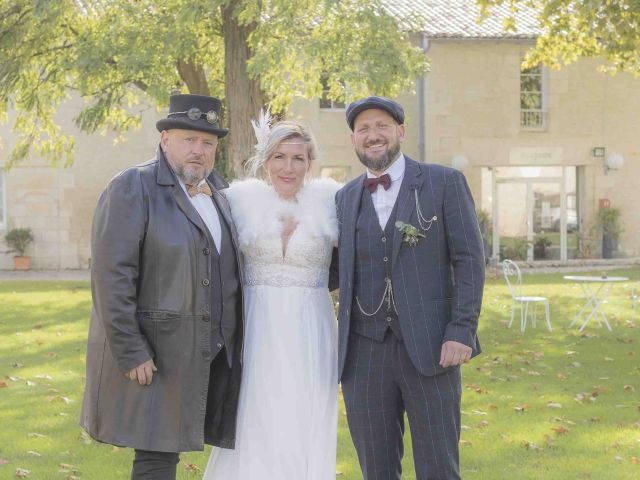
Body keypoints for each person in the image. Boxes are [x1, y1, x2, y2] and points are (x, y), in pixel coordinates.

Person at [80, 93, 244, 480]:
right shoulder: (131, 187)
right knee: (156, 459)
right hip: (157, 352)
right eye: (189, 139)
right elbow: (110, 276)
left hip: (209, 352)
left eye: (207, 143)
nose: (198, 151)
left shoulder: (220, 194)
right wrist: (131, 350)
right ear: (165, 139)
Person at [335, 96, 485, 479]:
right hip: (363, 355)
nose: (373, 135)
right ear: (353, 140)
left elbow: (470, 260)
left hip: (433, 348)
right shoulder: (344, 198)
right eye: (363, 129)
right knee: (376, 470)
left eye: (381, 126)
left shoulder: (443, 182)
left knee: (439, 468)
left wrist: (461, 330)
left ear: (400, 132)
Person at [203, 117, 340, 479]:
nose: (288, 167)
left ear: (310, 162)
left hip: (312, 328)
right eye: (279, 157)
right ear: (265, 161)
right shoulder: (238, 203)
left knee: (303, 413)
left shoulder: (332, 204)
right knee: (255, 413)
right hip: (256, 326)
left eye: (298, 158)